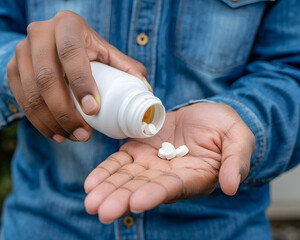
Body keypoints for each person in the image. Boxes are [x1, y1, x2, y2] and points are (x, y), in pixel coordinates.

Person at [0, 0, 299, 239]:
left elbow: (291, 66)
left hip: (222, 228)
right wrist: (23, 67)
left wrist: (244, 117)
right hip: (48, 225)